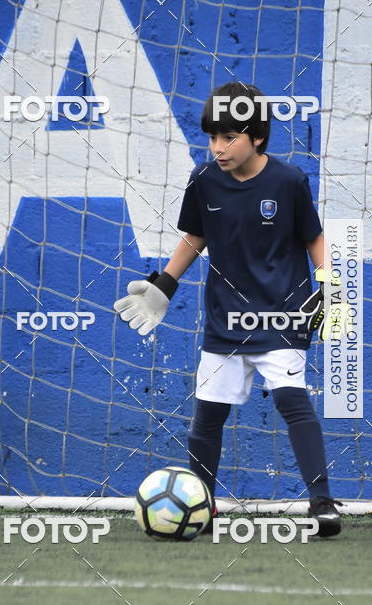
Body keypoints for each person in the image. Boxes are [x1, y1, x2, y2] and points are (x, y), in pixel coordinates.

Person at [114, 81, 342, 537]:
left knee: (291, 399)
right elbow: (195, 236)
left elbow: (313, 238)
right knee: (209, 413)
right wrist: (165, 283)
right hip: (225, 318)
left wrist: (330, 290)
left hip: (281, 314)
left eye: (229, 137)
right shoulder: (203, 179)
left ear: (257, 136)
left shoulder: (289, 181)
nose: (218, 147)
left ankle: (321, 501)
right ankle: (202, 504)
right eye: (212, 137)